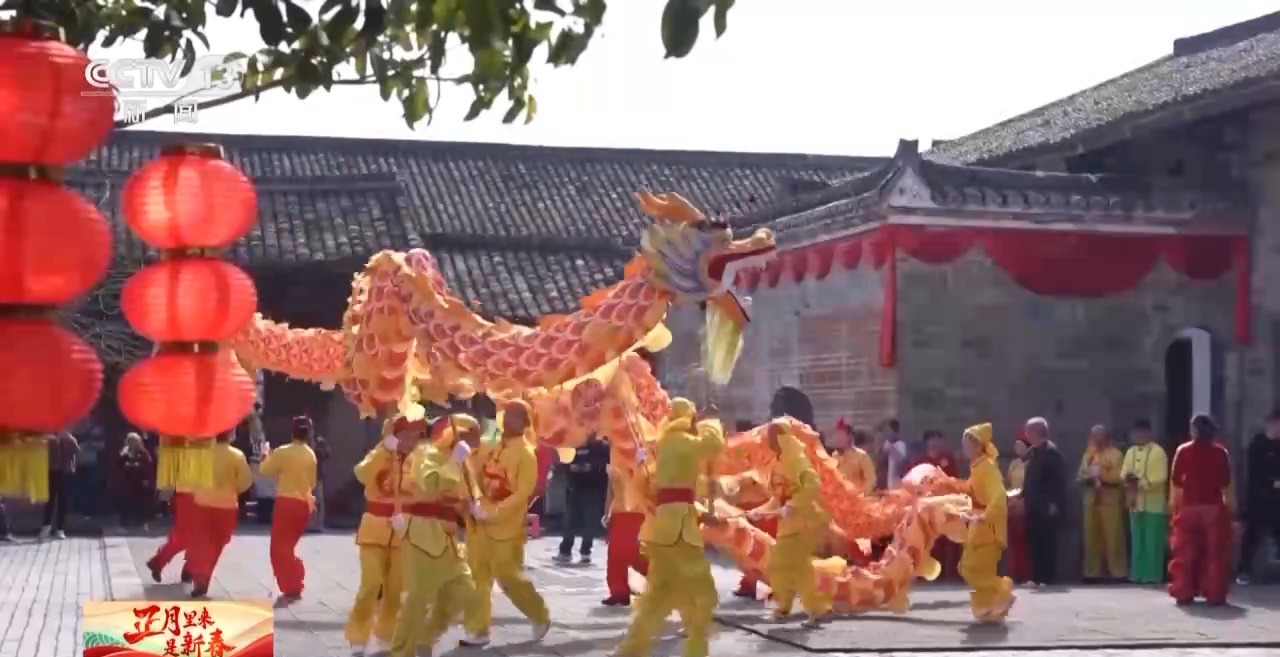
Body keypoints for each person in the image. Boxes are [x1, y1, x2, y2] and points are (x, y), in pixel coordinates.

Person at [613, 398, 725, 657]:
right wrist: (710, 421)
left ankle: (631, 649)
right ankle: (696, 650)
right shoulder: (680, 441)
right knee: (700, 593)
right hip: (679, 531)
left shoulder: (668, 444)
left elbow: (678, 488)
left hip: (666, 527)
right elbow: (713, 444)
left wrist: (701, 511)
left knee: (657, 596)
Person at [390, 413, 482, 657]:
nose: (475, 440)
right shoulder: (425, 453)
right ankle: (401, 652)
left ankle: (426, 638)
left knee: (465, 592)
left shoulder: (463, 461)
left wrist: (473, 507)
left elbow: (466, 494)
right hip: (423, 535)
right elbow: (430, 484)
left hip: (449, 539)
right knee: (417, 600)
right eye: (470, 434)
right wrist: (454, 461)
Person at [461, 399, 551, 647]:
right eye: (507, 414)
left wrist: (497, 512)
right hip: (480, 523)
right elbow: (473, 470)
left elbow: (522, 493)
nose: (509, 420)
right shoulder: (491, 446)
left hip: (506, 527)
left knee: (508, 576)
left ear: (525, 422)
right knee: (477, 576)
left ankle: (538, 614)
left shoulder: (526, 454)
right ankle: (478, 628)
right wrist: (465, 453)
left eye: (516, 416)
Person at [346, 416, 425, 656]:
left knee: (395, 589)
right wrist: (384, 451)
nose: (412, 439)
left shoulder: (420, 459)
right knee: (370, 585)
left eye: (416, 434)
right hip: (374, 530)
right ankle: (358, 634)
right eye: (406, 433)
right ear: (394, 434)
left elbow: (428, 489)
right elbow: (361, 474)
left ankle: (385, 632)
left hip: (404, 532)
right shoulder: (379, 453)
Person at [748, 420, 832, 627]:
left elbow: (812, 485)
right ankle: (797, 608)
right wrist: (760, 511)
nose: (768, 440)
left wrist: (793, 505)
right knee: (791, 568)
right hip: (788, 525)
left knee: (787, 567)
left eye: (772, 435)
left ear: (781, 437)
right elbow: (778, 497)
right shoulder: (778, 462)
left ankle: (805, 608)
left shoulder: (796, 459)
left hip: (803, 522)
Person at [1168, 414, 1234, 606]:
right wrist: (1231, 509)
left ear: (1193, 430)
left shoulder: (1183, 450)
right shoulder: (1221, 452)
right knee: (1214, 553)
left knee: (1185, 552)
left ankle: (1183, 591)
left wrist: (1174, 508)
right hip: (1213, 508)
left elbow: (1176, 481)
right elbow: (1226, 483)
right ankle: (1214, 594)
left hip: (1189, 507)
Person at [959, 422, 1015, 622]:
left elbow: (998, 495)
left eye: (967, 444)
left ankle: (1001, 589)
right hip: (979, 524)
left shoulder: (987, 467)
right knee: (976, 568)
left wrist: (985, 515)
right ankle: (988, 607)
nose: (964, 448)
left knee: (970, 568)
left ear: (977, 446)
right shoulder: (978, 467)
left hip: (987, 527)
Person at [258, 415, 318, 601]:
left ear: (292, 432)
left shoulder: (283, 452)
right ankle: (294, 581)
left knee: (278, 549)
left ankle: (293, 584)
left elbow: (264, 470)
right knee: (287, 547)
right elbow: (312, 483)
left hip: (285, 503)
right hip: (303, 505)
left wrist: (265, 454)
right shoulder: (311, 455)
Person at [187, 430, 253, 598]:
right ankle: (203, 577)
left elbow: (190, 478)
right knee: (217, 544)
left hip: (201, 503)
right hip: (226, 506)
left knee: (202, 542)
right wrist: (234, 489)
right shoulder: (237, 455)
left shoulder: (202, 454)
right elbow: (245, 482)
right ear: (230, 435)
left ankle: (199, 577)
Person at [1121, 419, 1169, 584]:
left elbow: (1160, 477)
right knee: (1137, 541)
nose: (1138, 436)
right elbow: (1124, 473)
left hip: (1153, 505)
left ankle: (1153, 575)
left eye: (1141, 432)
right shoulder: (1130, 452)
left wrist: (1140, 483)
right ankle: (1137, 574)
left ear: (1149, 433)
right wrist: (1128, 479)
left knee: (1152, 541)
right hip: (1135, 503)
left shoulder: (1158, 452)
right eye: (1135, 433)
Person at [1078, 425, 1127, 581]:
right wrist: (1088, 477)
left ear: (1106, 437)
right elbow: (1080, 474)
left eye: (1099, 436)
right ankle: (1091, 573)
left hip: (1109, 499)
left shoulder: (1116, 455)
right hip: (1091, 500)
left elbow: (1119, 477)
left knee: (1113, 536)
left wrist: (1102, 475)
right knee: (1091, 537)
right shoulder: (1088, 454)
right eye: (1093, 436)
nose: (1096, 440)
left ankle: (1118, 572)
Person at [1237, 410, 1280, 585]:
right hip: (1258, 499)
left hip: (1277, 499)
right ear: (1271, 423)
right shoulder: (1258, 444)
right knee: (1252, 535)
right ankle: (1244, 570)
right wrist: (1272, 482)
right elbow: (1256, 473)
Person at [1021, 417, 1065, 587]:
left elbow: (1058, 482)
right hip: (1032, 504)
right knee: (1033, 541)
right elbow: (1029, 478)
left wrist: (1054, 504)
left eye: (1028, 430)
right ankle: (1035, 577)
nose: (1026, 434)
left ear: (1037, 432)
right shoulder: (1032, 453)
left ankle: (1047, 578)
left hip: (1047, 505)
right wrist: (1022, 496)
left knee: (1047, 541)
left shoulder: (1052, 453)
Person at [556, 431, 610, 565]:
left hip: (593, 488)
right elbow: (565, 461)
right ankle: (565, 551)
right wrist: (571, 469)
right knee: (570, 520)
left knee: (590, 521)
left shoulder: (602, 447)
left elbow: (606, 464)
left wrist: (591, 467)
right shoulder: (574, 444)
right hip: (575, 486)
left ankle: (586, 551)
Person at [601, 461, 649, 607]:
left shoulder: (644, 460)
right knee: (615, 556)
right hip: (619, 513)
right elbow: (610, 490)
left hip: (638, 512)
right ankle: (618, 593)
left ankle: (662, 579)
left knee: (632, 553)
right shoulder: (614, 461)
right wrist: (607, 514)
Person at [916, 430, 961, 579]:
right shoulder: (921, 460)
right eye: (932, 440)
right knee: (931, 541)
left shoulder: (948, 458)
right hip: (928, 506)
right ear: (927, 443)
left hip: (946, 505)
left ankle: (952, 575)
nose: (935, 443)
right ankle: (933, 576)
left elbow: (954, 479)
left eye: (938, 440)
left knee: (950, 541)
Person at [40, 431, 81, 539]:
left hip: (66, 472)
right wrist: (50, 440)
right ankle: (46, 526)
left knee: (63, 501)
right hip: (51, 471)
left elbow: (77, 451)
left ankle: (60, 529)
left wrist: (69, 438)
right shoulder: (49, 439)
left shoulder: (68, 438)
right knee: (49, 500)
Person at [1005, 433, 1031, 584]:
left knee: (1025, 540)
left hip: (1025, 502)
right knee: (1013, 540)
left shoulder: (1032, 463)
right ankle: (1015, 572)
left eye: (1021, 446)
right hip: (1012, 502)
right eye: (1016, 446)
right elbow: (1008, 482)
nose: (1018, 449)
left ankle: (1027, 573)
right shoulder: (1014, 463)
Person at [116, 432, 154, 530]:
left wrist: (147, 479)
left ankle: (140, 523)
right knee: (125, 502)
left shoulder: (143, 453)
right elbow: (119, 466)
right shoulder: (124, 453)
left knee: (139, 502)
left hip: (139, 481)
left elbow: (148, 466)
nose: (133, 443)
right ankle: (124, 523)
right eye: (131, 441)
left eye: (135, 441)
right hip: (127, 481)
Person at [833, 419, 876, 493]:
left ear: (849, 437)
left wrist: (862, 492)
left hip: (856, 496)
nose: (838, 438)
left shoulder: (861, 455)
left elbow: (871, 479)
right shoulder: (834, 456)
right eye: (837, 435)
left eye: (841, 435)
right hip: (839, 496)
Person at [307, 432, 331, 533]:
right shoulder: (302, 441)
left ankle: (318, 524)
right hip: (306, 477)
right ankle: (308, 524)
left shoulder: (319, 442)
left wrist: (317, 450)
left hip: (317, 476)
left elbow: (327, 453)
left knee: (318, 501)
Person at [876, 418, 908, 490]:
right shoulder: (884, 446)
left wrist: (890, 447)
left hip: (897, 486)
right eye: (883, 431)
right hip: (884, 486)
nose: (885, 434)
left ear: (895, 432)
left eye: (888, 431)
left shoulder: (900, 444)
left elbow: (901, 461)